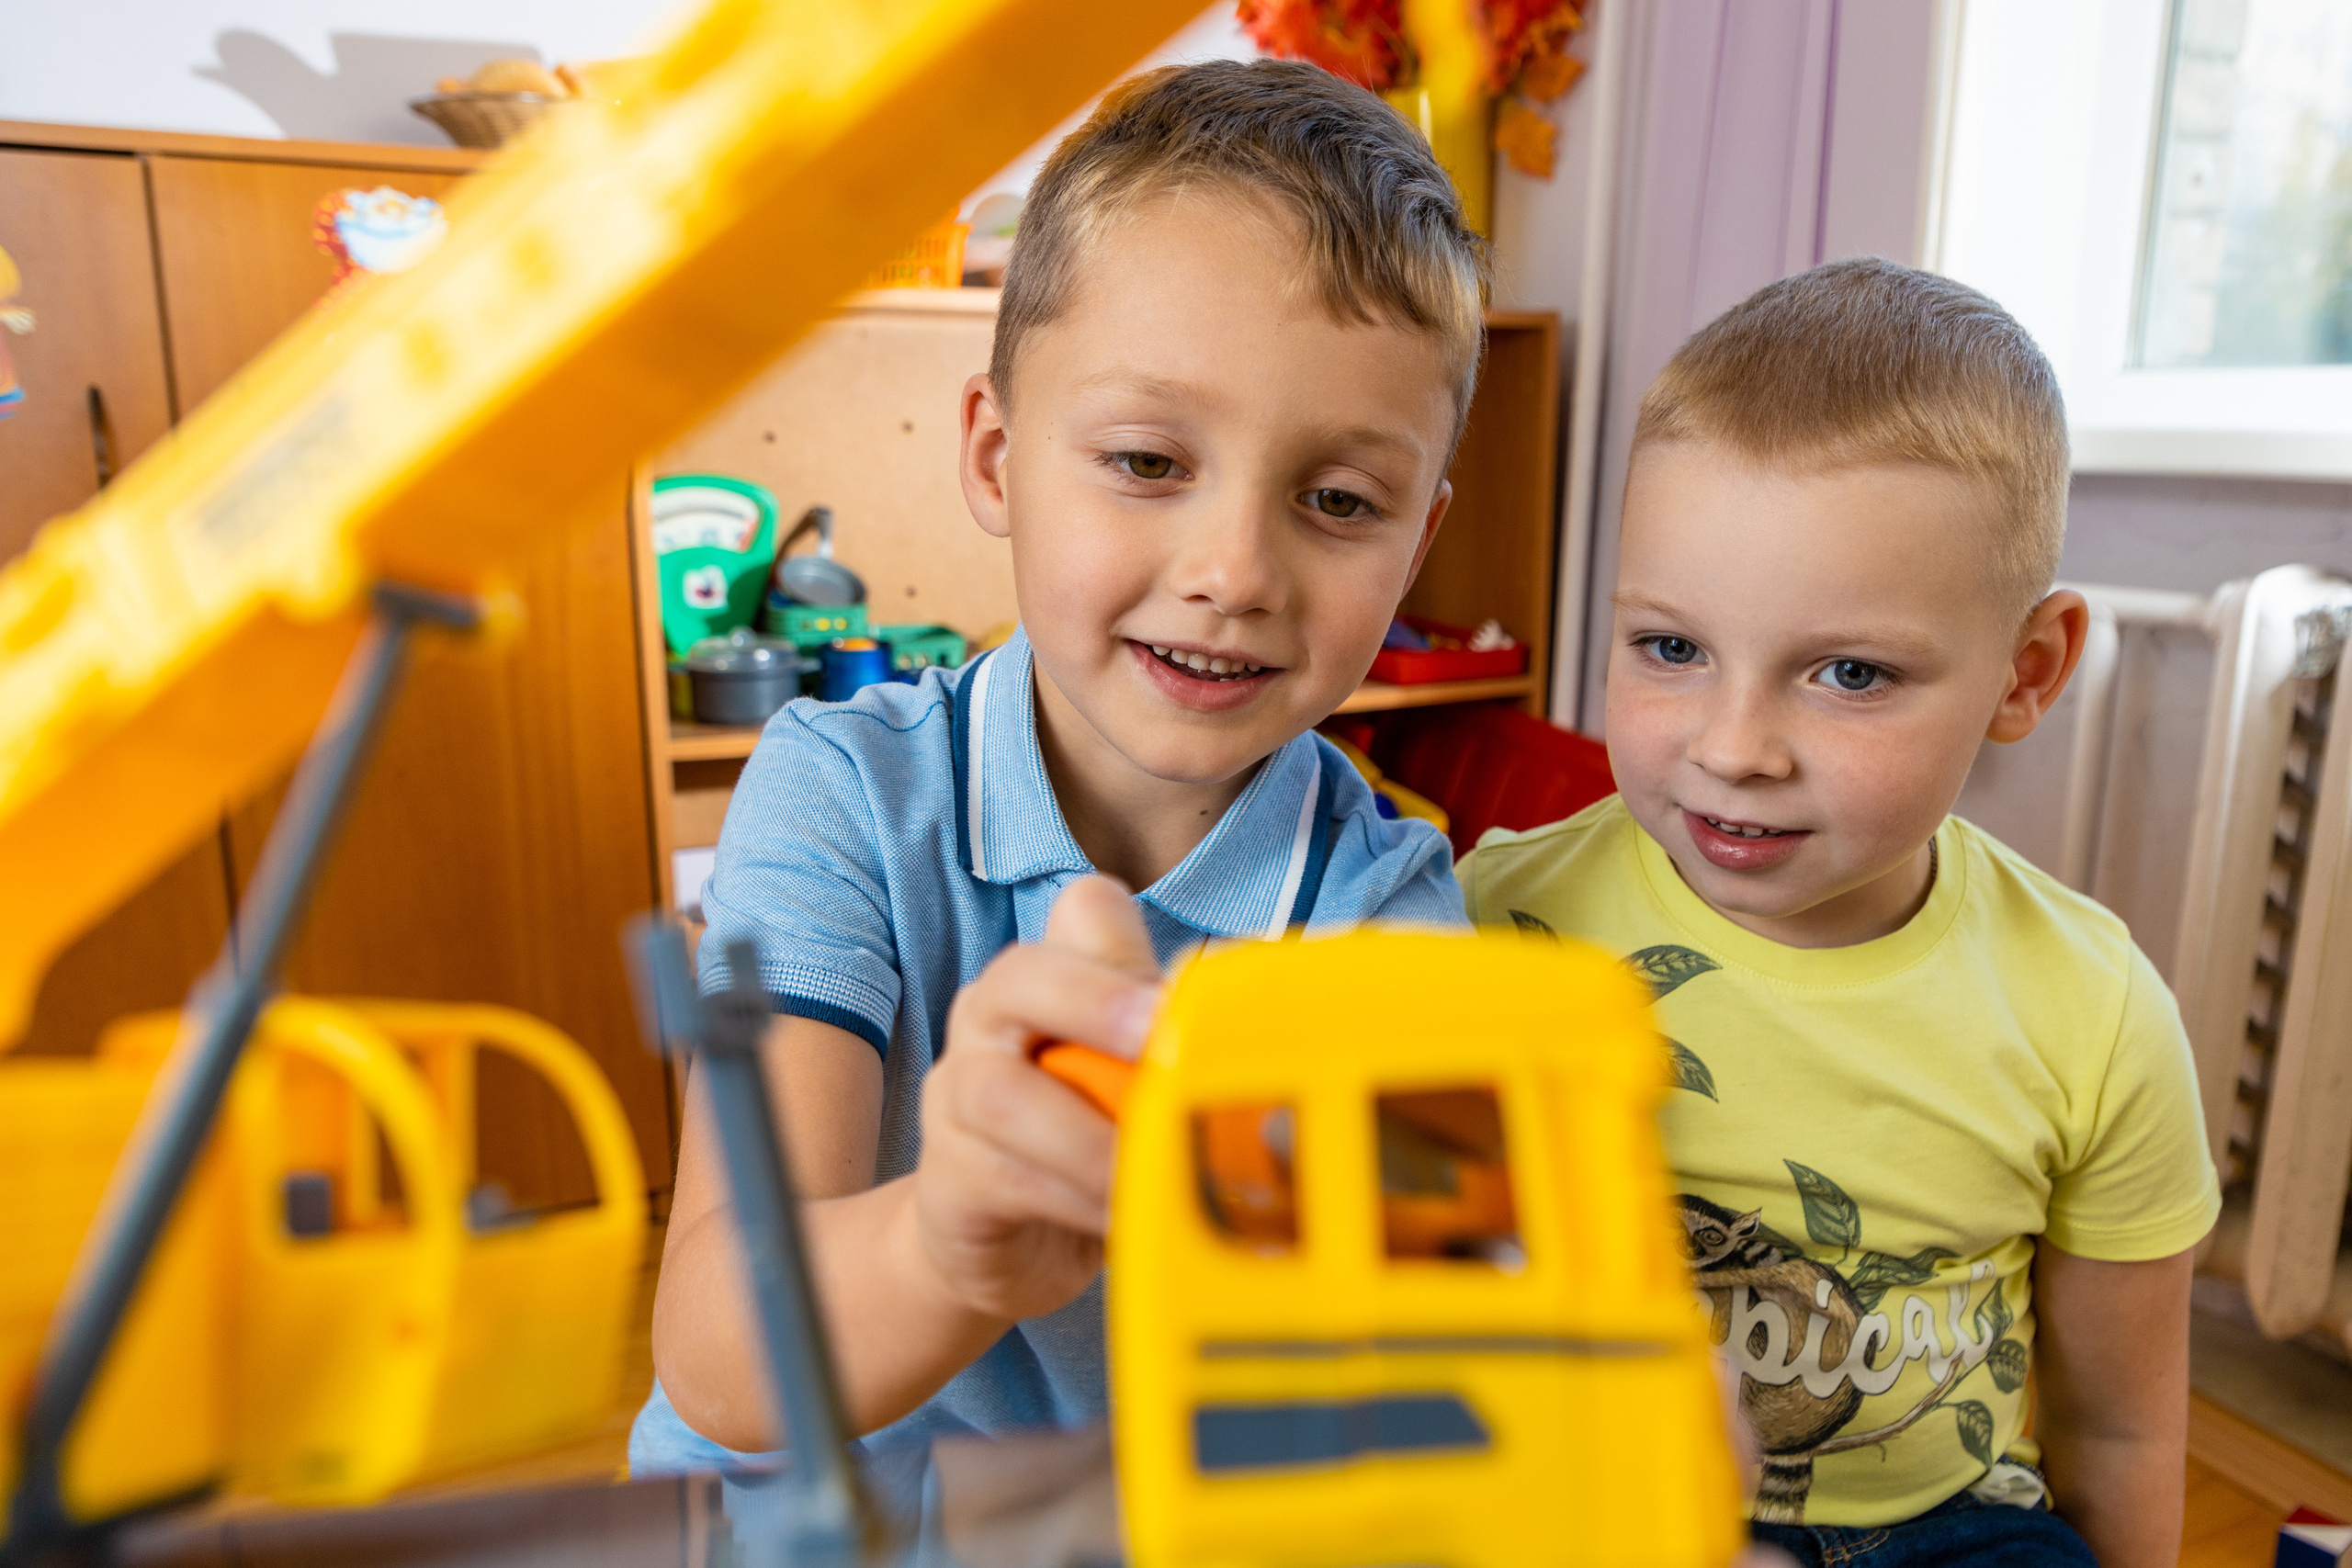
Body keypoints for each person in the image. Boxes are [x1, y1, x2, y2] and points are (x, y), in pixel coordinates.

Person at [630, 58, 1482, 1472]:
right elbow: (724, 1350)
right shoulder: (833, 788)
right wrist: (948, 1246)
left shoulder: (1388, 912)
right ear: (996, 454)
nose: (1232, 573)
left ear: (1418, 544)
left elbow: (1440, 1346)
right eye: (1149, 461)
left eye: (1338, 501)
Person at [1458, 258, 2222, 1567]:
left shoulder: (2094, 1014)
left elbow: (2127, 1435)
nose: (1735, 746)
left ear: (2024, 672)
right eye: (1671, 648)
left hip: (1947, 1536)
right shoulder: (1483, 928)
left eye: (1848, 672)